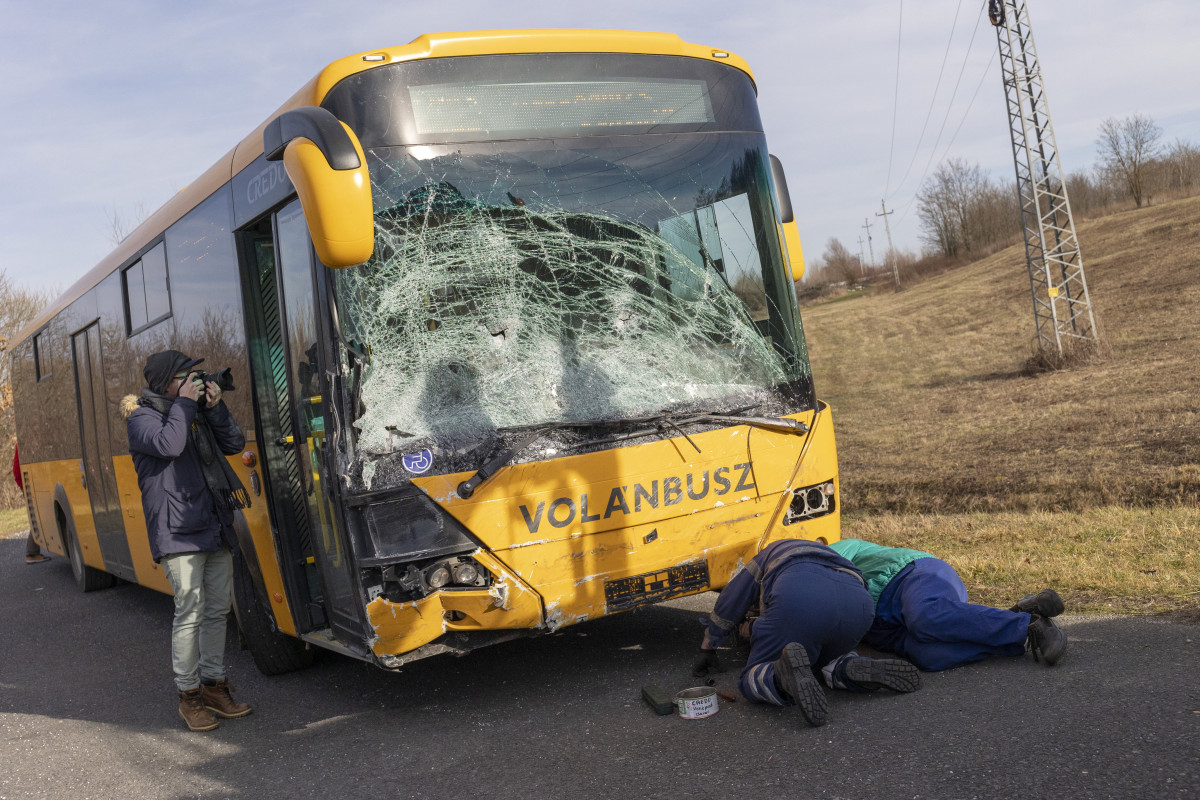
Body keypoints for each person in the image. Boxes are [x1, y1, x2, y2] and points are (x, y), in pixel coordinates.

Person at [123, 350, 252, 732]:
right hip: (177, 529)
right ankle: (189, 695)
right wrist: (185, 404)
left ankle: (213, 685)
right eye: (186, 376)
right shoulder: (142, 418)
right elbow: (170, 445)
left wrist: (215, 407)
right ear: (167, 383)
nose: (194, 382)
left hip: (212, 520)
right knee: (190, 611)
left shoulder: (191, 411)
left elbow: (233, 443)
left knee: (217, 610)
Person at [693, 538, 920, 727]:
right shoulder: (830, 554)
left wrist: (709, 646)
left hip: (798, 596)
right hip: (858, 604)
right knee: (830, 657)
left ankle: (779, 677)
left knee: (750, 679)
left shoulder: (766, 555)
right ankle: (847, 667)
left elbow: (730, 601)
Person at [828, 538, 1067, 671]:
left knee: (925, 616)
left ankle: (1028, 624)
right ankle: (1019, 629)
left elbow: (824, 569)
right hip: (885, 629)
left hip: (909, 577)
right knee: (928, 657)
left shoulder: (823, 553)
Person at [12, 445, 49, 565]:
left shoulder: (23, 443)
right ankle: (32, 553)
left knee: (39, 515)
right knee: (39, 516)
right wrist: (24, 487)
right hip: (28, 483)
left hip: (27, 482)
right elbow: (17, 470)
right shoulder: (24, 443)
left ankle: (32, 552)